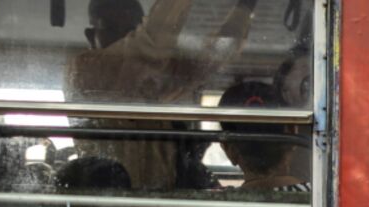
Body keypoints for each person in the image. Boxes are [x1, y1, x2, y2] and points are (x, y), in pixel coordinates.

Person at [64, 0, 262, 191]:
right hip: (106, 204)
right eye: (112, 28)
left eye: (131, 32)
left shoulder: (153, 77)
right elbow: (150, 43)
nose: (125, 40)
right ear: (91, 36)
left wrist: (245, 6)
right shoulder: (84, 70)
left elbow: (213, 58)